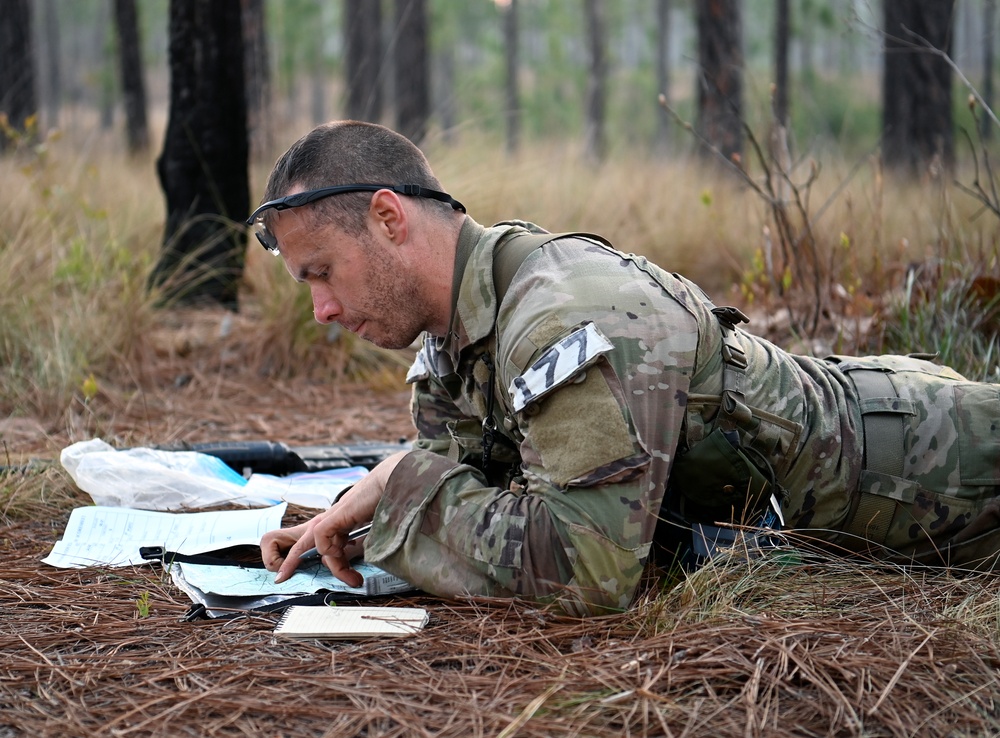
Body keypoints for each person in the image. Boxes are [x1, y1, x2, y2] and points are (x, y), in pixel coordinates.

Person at [251, 120, 1000, 616]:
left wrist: (404, 491)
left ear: (389, 218)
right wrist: (372, 504)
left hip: (945, 476)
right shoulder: (453, 337)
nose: (319, 310)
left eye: (322, 272)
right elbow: (479, 482)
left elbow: (590, 567)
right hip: (856, 491)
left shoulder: (563, 314)